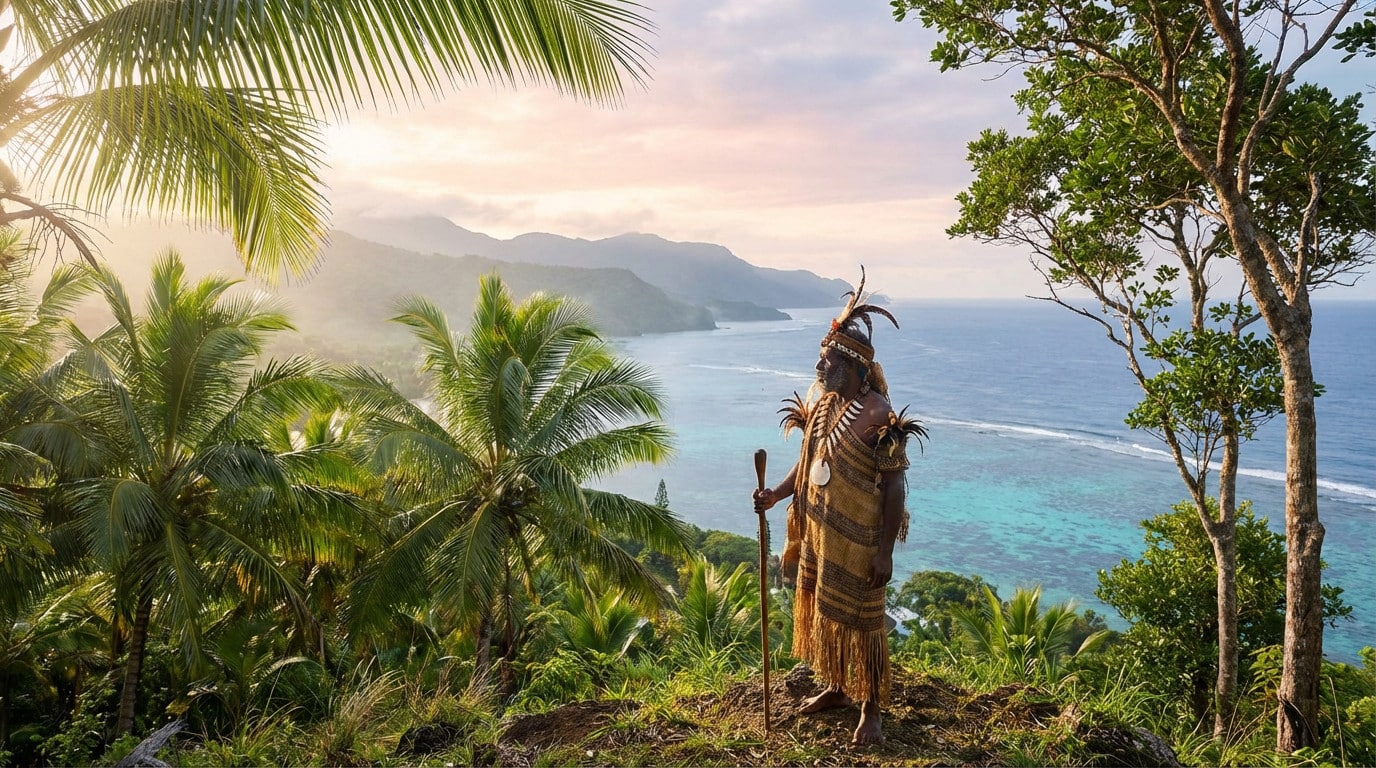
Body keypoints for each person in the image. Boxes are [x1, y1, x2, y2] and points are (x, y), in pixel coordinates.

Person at [753, 269, 925, 746]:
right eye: (821, 359)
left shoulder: (879, 416)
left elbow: (894, 490)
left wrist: (885, 552)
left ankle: (871, 707)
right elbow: (808, 462)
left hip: (861, 539)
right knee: (829, 613)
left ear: (853, 367)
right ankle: (836, 686)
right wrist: (776, 495)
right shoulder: (827, 405)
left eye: (828, 361)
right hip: (822, 534)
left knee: (864, 622)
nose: (819, 368)